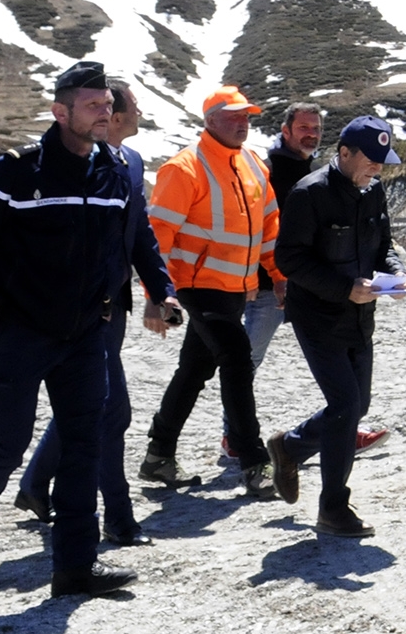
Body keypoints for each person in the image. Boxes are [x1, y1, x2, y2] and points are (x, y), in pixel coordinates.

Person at [0, 61, 146, 597]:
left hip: (84, 336)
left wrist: (111, 300)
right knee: (7, 443)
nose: (104, 112)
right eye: (92, 105)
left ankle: (75, 569)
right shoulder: (17, 172)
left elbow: (119, 246)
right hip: (18, 335)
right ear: (60, 112)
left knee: (84, 445)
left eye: (108, 104)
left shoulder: (112, 172)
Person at [13, 77, 180, 547]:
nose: (135, 114)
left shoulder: (129, 163)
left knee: (89, 404)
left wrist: (159, 290)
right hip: (71, 312)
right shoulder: (73, 165)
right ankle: (119, 518)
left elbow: (139, 234)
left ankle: (32, 486)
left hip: (112, 309)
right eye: (128, 107)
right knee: (111, 411)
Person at [265, 118, 406, 538]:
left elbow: (384, 245)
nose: (378, 169)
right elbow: (290, 259)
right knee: (345, 406)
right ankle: (333, 509)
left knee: (356, 406)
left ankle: (289, 447)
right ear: (344, 153)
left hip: (361, 317)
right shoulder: (310, 194)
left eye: (384, 162)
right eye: (371, 161)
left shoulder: (374, 190)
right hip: (318, 319)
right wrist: (347, 288)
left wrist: (397, 274)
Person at [140, 85, 282, 501]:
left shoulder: (254, 163)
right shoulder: (184, 169)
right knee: (236, 360)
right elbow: (156, 237)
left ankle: (158, 454)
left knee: (195, 369)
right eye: (234, 116)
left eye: (247, 116)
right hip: (198, 288)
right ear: (209, 121)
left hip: (238, 289)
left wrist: (278, 275)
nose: (243, 123)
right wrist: (157, 293)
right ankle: (254, 461)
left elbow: (270, 224)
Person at [226, 103, 388, 459]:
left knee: (347, 395)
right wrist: (258, 277)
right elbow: (255, 229)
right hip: (268, 285)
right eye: (303, 128)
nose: (310, 134)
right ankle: (235, 437)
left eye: (316, 128)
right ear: (285, 131)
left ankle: (337, 430)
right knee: (245, 362)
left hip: (314, 287)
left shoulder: (323, 174)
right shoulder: (271, 172)